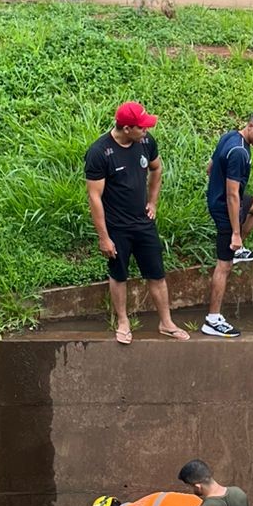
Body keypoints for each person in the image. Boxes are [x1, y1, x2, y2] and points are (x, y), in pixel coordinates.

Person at [85, 102, 189, 347]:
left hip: (143, 223)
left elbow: (156, 168)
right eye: (141, 127)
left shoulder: (145, 142)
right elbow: (94, 197)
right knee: (119, 275)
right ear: (127, 127)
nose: (146, 130)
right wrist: (104, 237)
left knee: (157, 273)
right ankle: (123, 321)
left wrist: (152, 202)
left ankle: (166, 322)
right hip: (117, 226)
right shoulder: (100, 152)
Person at [202, 111, 253, 339]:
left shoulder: (230, 136)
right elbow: (233, 196)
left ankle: (238, 248)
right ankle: (213, 319)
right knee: (224, 266)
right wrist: (235, 233)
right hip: (226, 208)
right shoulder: (239, 152)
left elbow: (210, 167)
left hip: (223, 199)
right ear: (250, 126)